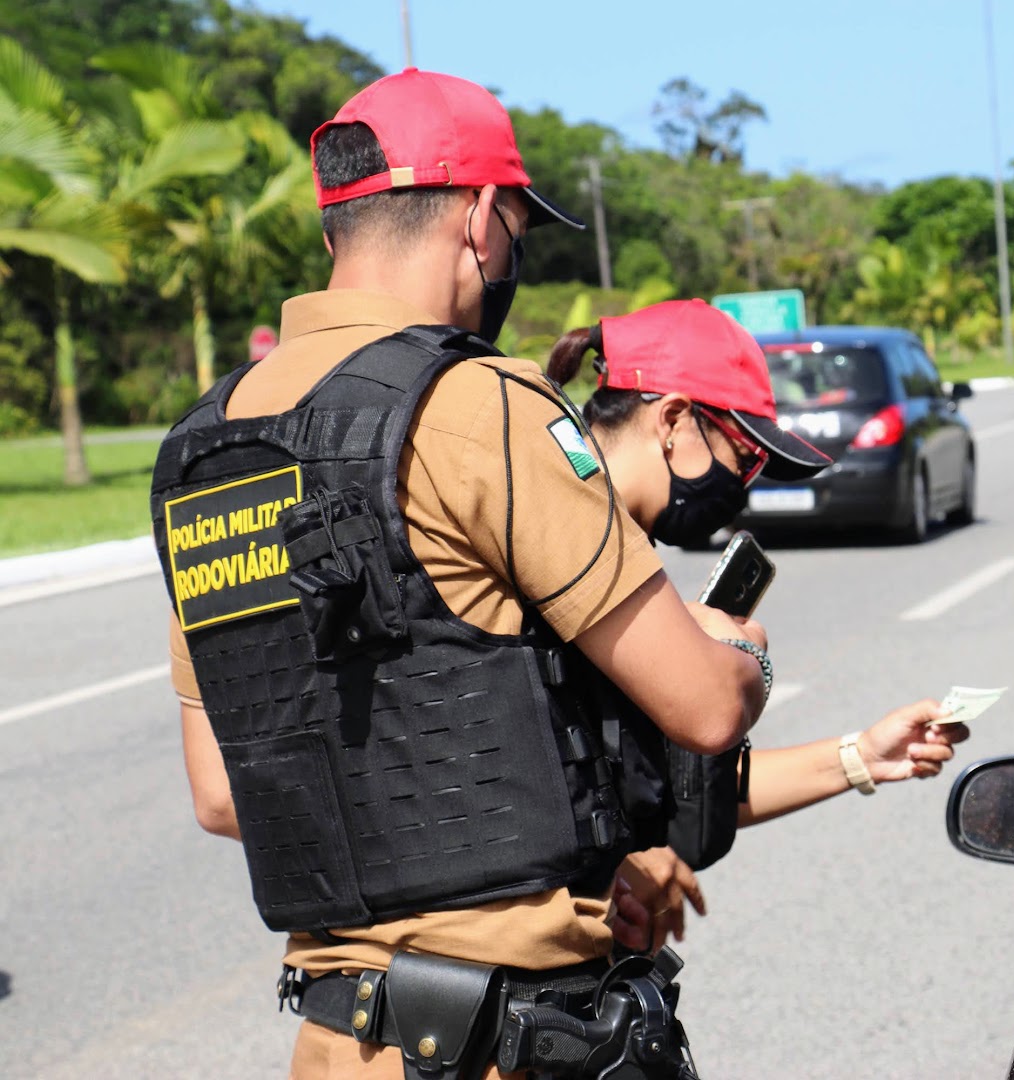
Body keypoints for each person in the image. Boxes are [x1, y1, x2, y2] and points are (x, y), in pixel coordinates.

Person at [152, 69, 796, 1080]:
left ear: (336, 231)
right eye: (514, 237)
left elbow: (225, 795)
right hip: (521, 1041)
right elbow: (707, 710)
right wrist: (744, 657)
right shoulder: (482, 400)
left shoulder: (203, 444)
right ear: (483, 218)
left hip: (337, 1043)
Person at [541, 301, 973, 951]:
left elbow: (678, 792)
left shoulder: (624, 557)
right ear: (674, 421)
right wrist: (738, 657)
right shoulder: (551, 546)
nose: (743, 486)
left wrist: (862, 757)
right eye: (742, 457)